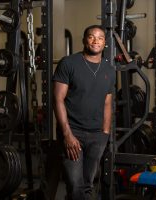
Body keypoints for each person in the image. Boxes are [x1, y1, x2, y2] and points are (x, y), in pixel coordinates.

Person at [53, 25, 116, 200]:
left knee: (88, 185)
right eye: (91, 37)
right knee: (75, 184)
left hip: (97, 136)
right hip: (74, 133)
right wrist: (67, 135)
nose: (96, 41)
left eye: (100, 38)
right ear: (84, 40)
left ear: (105, 43)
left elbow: (107, 102)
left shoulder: (109, 70)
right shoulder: (69, 63)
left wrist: (105, 134)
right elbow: (58, 99)